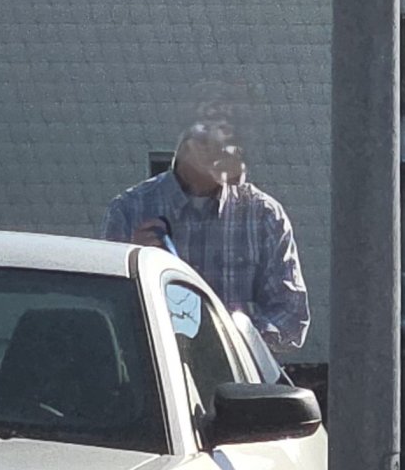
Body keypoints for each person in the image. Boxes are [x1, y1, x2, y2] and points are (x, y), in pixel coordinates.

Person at [101, 121, 310, 349]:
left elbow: (291, 316)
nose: (237, 154)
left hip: (242, 377)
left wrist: (230, 344)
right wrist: (133, 263)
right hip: (156, 370)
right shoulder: (130, 209)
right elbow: (109, 311)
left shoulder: (264, 214)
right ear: (190, 151)